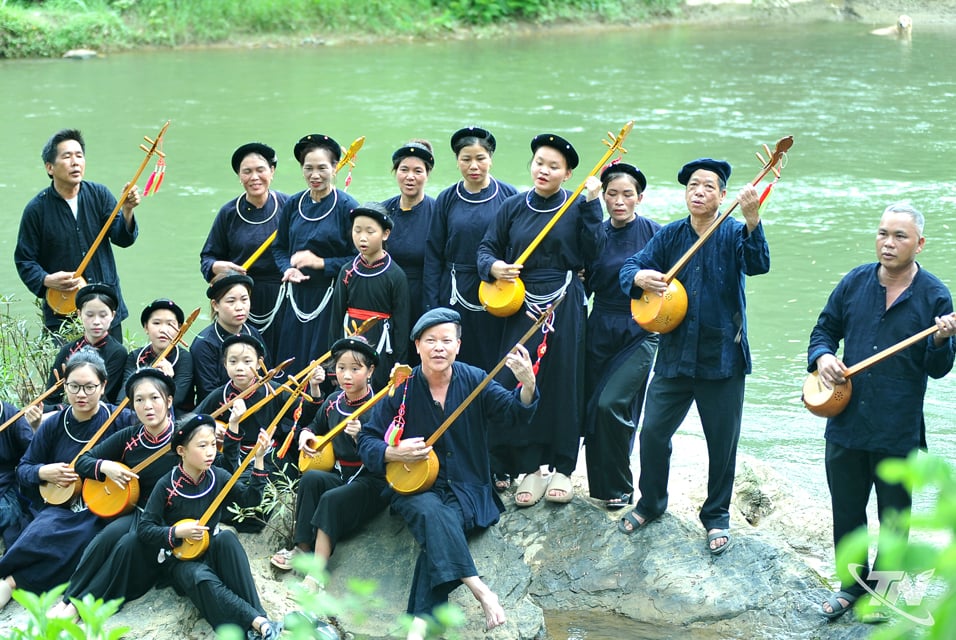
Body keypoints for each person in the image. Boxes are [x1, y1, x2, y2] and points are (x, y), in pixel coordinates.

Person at [808, 202, 955, 620]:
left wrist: (943, 340)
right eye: (883, 234)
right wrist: (822, 358)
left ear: (920, 244)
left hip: (897, 426)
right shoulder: (854, 281)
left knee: (894, 516)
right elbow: (823, 331)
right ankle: (850, 587)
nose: (888, 243)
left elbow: (938, 370)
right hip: (847, 421)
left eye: (899, 236)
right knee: (847, 508)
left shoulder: (934, 295)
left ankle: (884, 592)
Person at [617, 158, 768, 555]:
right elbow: (630, 266)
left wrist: (753, 220)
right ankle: (651, 501)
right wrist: (637, 278)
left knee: (722, 443)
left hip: (723, 358)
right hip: (675, 356)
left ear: (722, 196)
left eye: (708, 187)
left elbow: (759, 264)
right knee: (652, 433)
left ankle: (716, 516)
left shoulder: (734, 232)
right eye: (692, 186)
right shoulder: (669, 236)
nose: (698, 192)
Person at [357, 308, 538, 630]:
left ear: (458, 345)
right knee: (430, 511)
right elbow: (368, 438)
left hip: (467, 488)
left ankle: (416, 628)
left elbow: (513, 413)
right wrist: (392, 452)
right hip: (416, 487)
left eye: (446, 340)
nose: (438, 347)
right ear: (417, 346)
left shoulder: (474, 378)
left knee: (440, 530)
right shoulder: (403, 386)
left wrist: (527, 386)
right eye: (430, 340)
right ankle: (480, 589)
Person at [477, 133, 604, 506]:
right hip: (521, 302)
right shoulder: (513, 207)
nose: (544, 170)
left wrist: (594, 204)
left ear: (567, 174)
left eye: (554, 166)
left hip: (565, 300)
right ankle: (529, 466)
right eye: (539, 163)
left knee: (564, 381)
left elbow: (594, 252)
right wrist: (496, 267)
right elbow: (486, 248)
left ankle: (563, 466)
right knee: (517, 378)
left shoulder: (577, 206)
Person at [0, 347, 137, 610]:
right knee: (39, 533)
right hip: (61, 505)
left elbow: (156, 433)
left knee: (79, 539)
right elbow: (24, 468)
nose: (81, 395)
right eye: (74, 387)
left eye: (89, 387)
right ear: (64, 385)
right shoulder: (54, 424)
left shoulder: (120, 420)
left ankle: (14, 582)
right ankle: (7, 578)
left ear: (103, 385)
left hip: (102, 506)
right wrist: (43, 472)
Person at [48, 368, 181, 620]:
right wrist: (105, 467)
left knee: (126, 546)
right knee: (103, 539)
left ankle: (82, 606)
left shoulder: (182, 439)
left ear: (168, 401)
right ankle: (69, 599)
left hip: (165, 520)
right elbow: (82, 462)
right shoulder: (130, 437)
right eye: (139, 400)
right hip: (136, 512)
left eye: (154, 398)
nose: (147, 406)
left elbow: (214, 466)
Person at [138, 414, 281, 639]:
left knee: (227, 538)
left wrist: (260, 459)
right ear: (181, 451)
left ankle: (261, 620)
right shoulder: (167, 485)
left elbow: (250, 500)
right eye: (202, 445)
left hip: (211, 548)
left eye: (213, 444)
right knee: (201, 577)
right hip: (181, 559)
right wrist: (176, 532)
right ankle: (258, 622)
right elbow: (145, 528)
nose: (211, 451)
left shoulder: (219, 476)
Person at [270, 336, 387, 575]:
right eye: (341, 368)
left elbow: (387, 449)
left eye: (355, 369)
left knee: (331, 498)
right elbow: (313, 424)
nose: (346, 375)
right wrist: (305, 436)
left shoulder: (379, 405)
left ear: (370, 371)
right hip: (343, 473)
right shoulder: (334, 401)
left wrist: (360, 437)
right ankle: (302, 548)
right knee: (311, 478)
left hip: (372, 479)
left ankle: (317, 572)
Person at [583, 163, 660, 509]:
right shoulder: (594, 233)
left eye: (627, 194)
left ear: (639, 197)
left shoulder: (656, 234)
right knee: (595, 408)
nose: (619, 201)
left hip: (640, 329)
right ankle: (606, 488)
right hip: (599, 324)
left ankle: (622, 483)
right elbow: (581, 282)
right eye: (611, 194)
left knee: (612, 403)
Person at [14, 128, 141, 339]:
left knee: (111, 369)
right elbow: (24, 260)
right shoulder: (36, 209)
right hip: (64, 312)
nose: (75, 162)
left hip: (105, 307)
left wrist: (127, 210)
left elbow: (122, 238)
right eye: (67, 156)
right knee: (67, 371)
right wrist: (47, 280)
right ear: (50, 167)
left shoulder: (99, 195)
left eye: (79, 155)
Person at [424, 126, 516, 373]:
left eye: (480, 158)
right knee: (456, 359)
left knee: (493, 357)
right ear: (457, 162)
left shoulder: (509, 196)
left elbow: (519, 244)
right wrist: (432, 304)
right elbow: (433, 254)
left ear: (491, 160)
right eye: (466, 159)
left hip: (497, 290)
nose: (473, 166)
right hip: (454, 289)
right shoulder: (446, 198)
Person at [272, 133, 358, 373]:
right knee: (290, 361)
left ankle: (322, 408)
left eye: (322, 168)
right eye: (308, 168)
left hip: (331, 298)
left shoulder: (347, 207)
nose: (315, 175)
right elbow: (279, 247)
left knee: (322, 364)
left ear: (335, 168)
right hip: (296, 298)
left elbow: (359, 258)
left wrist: (321, 262)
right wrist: (287, 269)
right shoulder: (294, 204)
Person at [200, 142, 289, 357]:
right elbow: (207, 259)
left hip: (284, 297)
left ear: (272, 172)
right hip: (240, 298)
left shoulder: (289, 207)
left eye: (261, 170)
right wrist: (219, 266)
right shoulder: (228, 213)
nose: (254, 177)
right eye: (247, 171)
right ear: (239, 176)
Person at [328, 203, 410, 392]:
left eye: (370, 231)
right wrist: (333, 365)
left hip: (381, 341)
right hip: (350, 338)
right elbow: (336, 318)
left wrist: (400, 365)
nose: (362, 238)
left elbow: (401, 326)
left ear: (385, 234)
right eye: (357, 231)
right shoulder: (347, 271)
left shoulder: (396, 275)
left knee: (378, 392)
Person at [380, 140, 438, 333]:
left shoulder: (437, 212)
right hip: (385, 295)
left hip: (421, 297)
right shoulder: (382, 211)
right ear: (395, 172)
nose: (410, 177)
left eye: (418, 171)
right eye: (404, 169)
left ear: (427, 174)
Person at [45, 283, 128, 406]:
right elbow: (50, 397)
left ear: (113, 315)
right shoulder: (68, 350)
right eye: (90, 315)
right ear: (79, 314)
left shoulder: (117, 352)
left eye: (103, 315)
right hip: (66, 411)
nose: (96, 322)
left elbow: (104, 397)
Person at [191, 272, 268, 405]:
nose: (239, 307)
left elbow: (266, 375)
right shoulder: (204, 343)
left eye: (244, 299)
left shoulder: (253, 334)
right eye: (231, 301)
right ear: (215, 305)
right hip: (219, 410)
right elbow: (208, 393)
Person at [123, 298, 194, 413]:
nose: (163, 330)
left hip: (177, 417)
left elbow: (177, 399)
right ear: (146, 327)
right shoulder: (135, 357)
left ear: (180, 328)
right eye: (156, 323)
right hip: (140, 414)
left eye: (170, 324)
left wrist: (168, 380)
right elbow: (123, 399)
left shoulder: (184, 358)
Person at [0, 401, 37, 547]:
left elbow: (33, 458)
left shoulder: (15, 420)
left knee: (5, 512)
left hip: (6, 487)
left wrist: (36, 427)